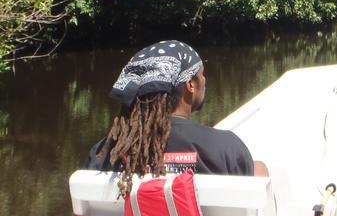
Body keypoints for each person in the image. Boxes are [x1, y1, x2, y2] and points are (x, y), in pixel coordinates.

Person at [86, 40, 267, 194]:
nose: (204, 81)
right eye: (201, 75)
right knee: (259, 170)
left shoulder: (104, 153)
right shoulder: (225, 147)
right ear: (190, 84)